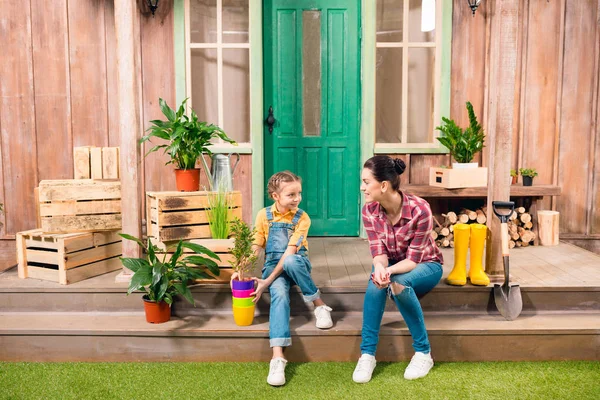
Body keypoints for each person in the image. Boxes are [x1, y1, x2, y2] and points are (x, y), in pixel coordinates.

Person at [234, 171, 333, 387]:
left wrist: (265, 282)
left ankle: (320, 305)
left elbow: (290, 254)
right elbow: (256, 246)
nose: (297, 198)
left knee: (290, 262)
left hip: (297, 262)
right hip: (272, 265)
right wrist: (240, 269)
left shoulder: (302, 217)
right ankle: (277, 357)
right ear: (275, 196)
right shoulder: (263, 216)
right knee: (279, 294)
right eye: (291, 194)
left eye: (299, 193)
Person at [352, 155, 444, 384]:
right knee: (376, 283)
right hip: (393, 264)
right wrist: (381, 268)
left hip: (426, 265)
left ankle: (423, 352)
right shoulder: (369, 211)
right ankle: (367, 354)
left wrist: (389, 273)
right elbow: (378, 252)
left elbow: (413, 261)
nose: (362, 187)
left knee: (399, 283)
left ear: (383, 185)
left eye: (366, 182)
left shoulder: (420, 209)